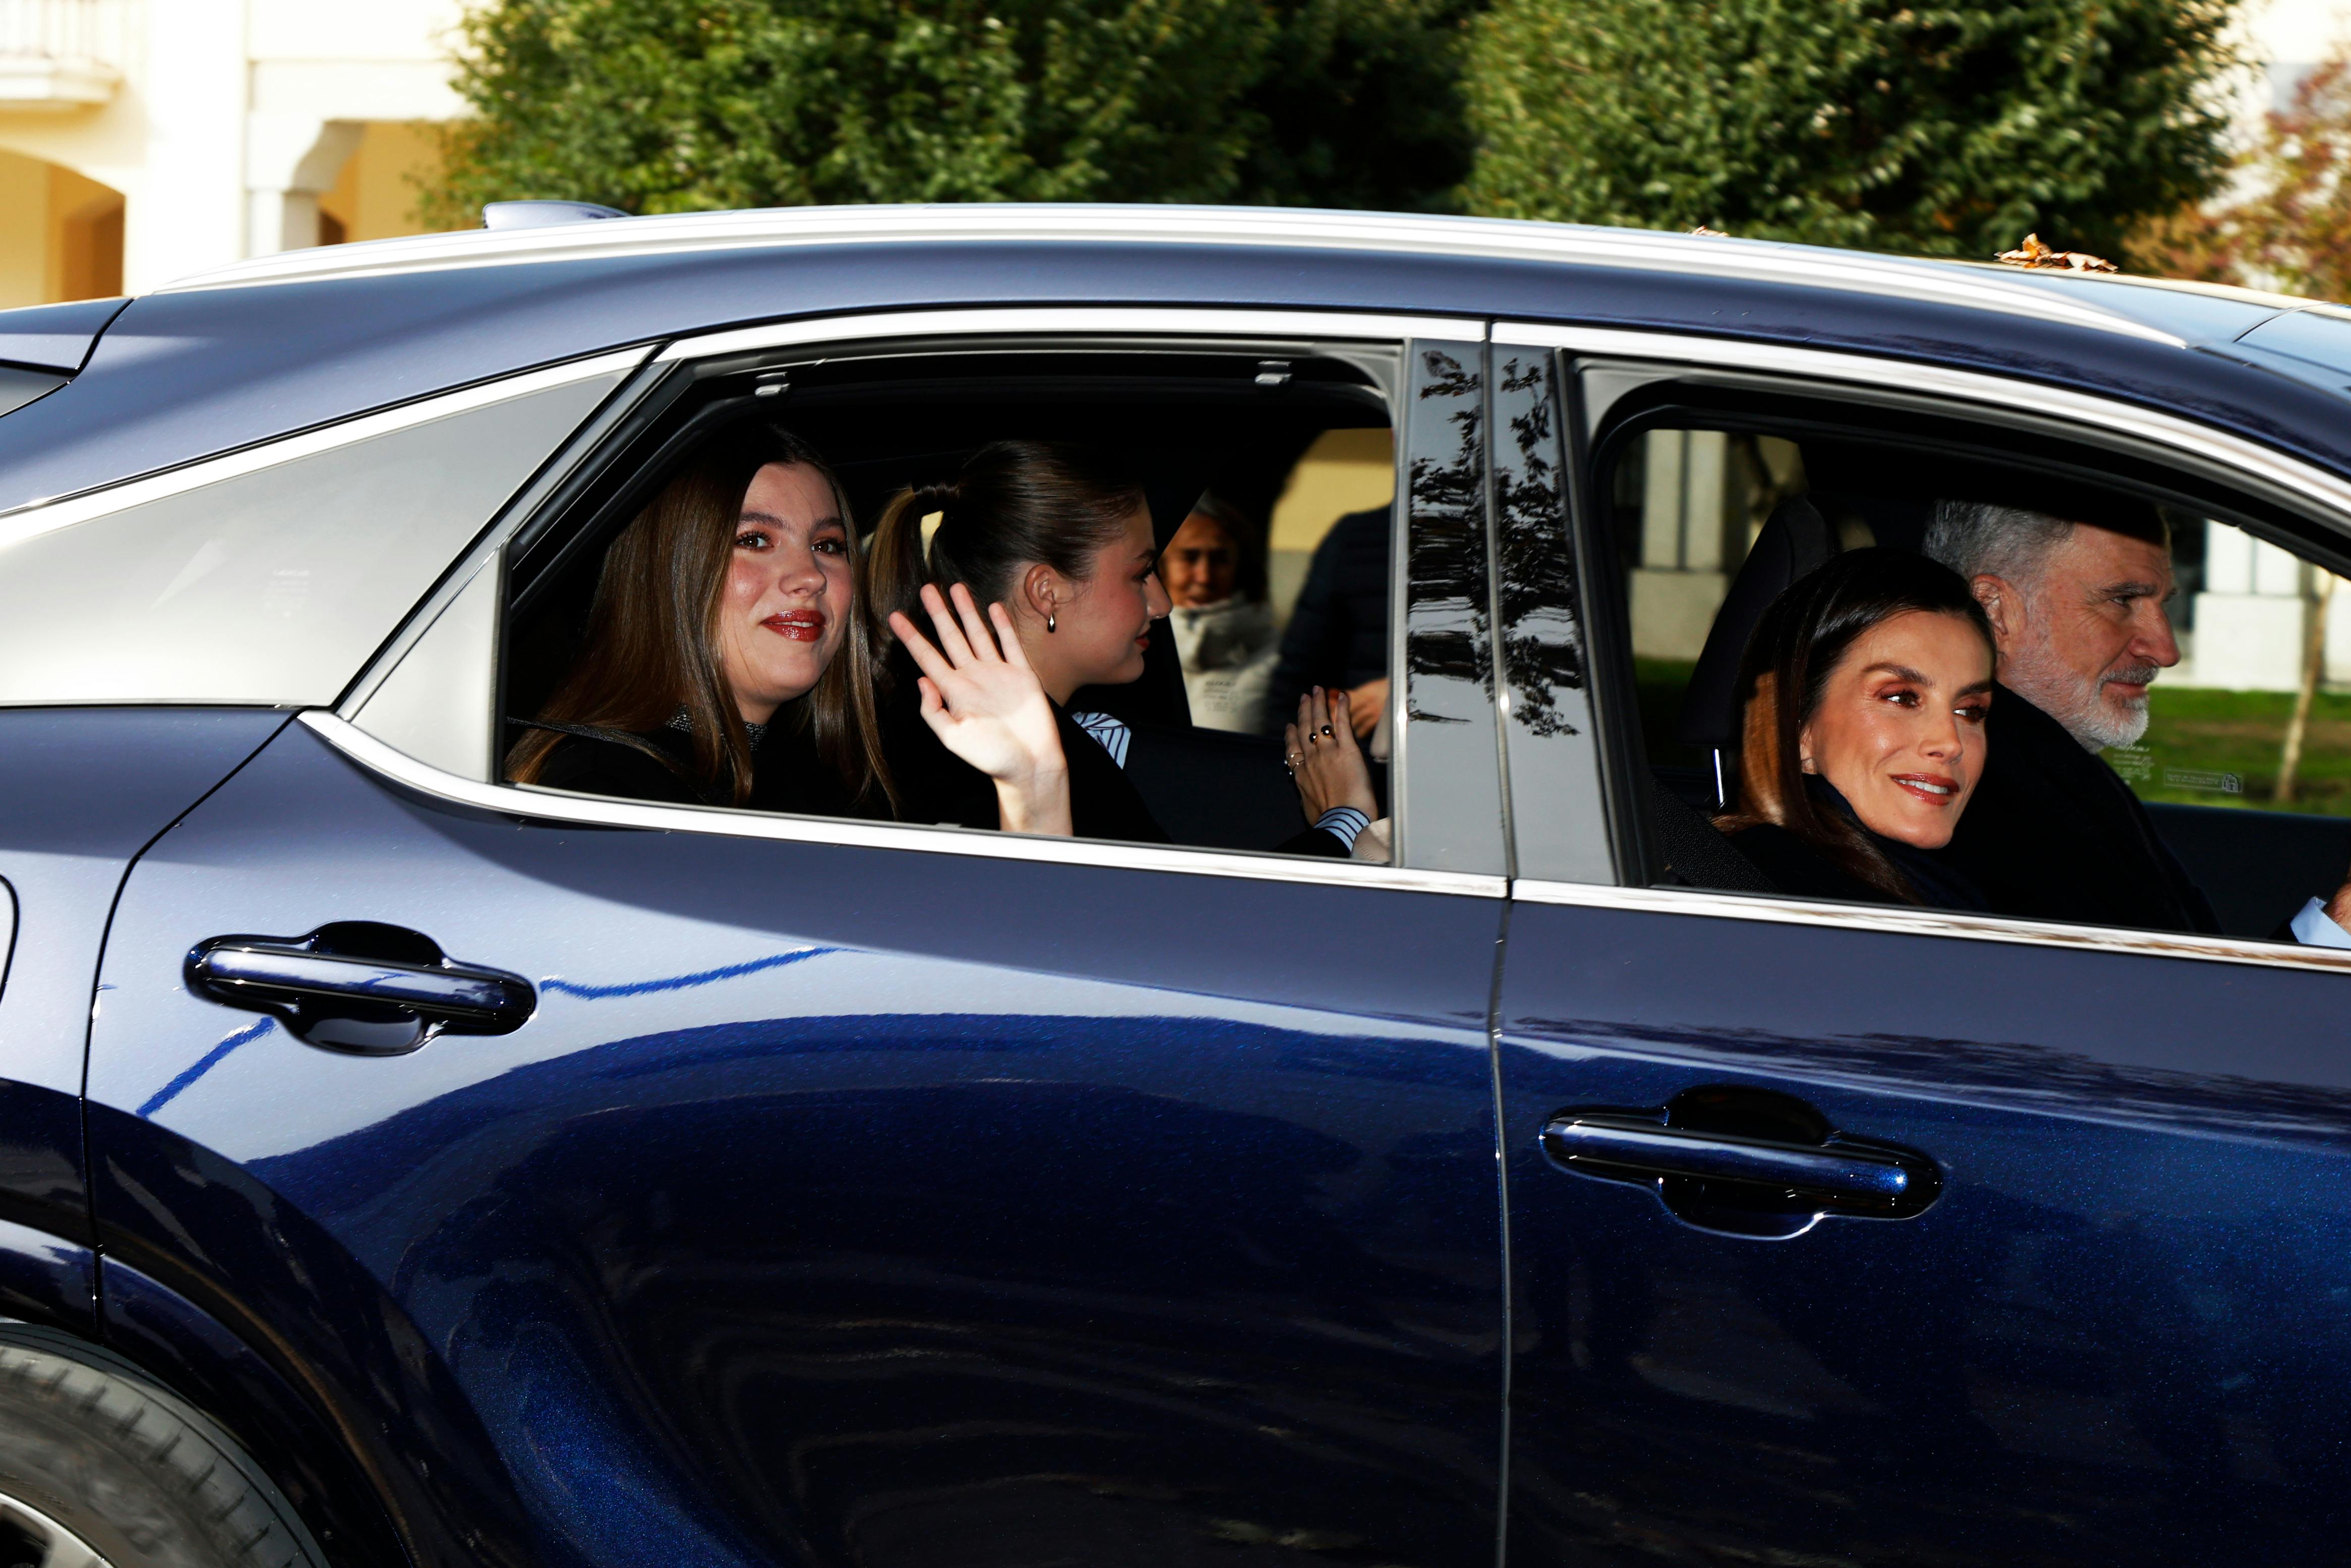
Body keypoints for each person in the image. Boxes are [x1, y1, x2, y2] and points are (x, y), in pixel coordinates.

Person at [870, 440, 1380, 855]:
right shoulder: (1014, 759)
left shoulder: (949, 732)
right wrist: (1345, 824)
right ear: (1046, 591)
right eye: (1140, 573)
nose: (1162, 603)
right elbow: (1182, 935)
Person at [1920, 498, 2351, 941]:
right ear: (1994, 610)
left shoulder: (2049, 769)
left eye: (2162, 603)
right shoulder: (1974, 804)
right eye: (2122, 599)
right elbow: (2168, 1005)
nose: (2166, 650)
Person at [505, 425, 894, 817]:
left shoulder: (823, 782)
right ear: (668, 572)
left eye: (827, 545)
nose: (812, 576)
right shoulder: (600, 797)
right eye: (755, 540)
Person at [1717, 549, 1995, 908]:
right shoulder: (1774, 894)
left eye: (1970, 711)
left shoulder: (1933, 884)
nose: (1950, 742)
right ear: (1799, 729)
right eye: (1901, 698)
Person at [1265, 505, 1390, 743]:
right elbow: (1299, 665)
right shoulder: (1355, 536)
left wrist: (1405, 695)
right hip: (1355, 749)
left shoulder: (1356, 536)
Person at [1163, 496, 1278, 733]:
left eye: (1219, 559)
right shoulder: (1129, 651)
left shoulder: (1277, 657)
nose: (1204, 577)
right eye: (1189, 557)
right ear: (1161, 565)